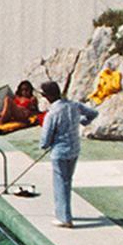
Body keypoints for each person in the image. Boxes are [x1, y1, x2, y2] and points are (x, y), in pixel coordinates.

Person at [39, 82, 97, 229]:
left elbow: (45, 139)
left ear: (50, 96)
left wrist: (45, 146)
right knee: (67, 181)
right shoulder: (74, 105)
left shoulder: (52, 113)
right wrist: (82, 121)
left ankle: (64, 217)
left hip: (60, 152)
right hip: (74, 149)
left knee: (60, 183)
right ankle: (63, 211)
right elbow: (93, 113)